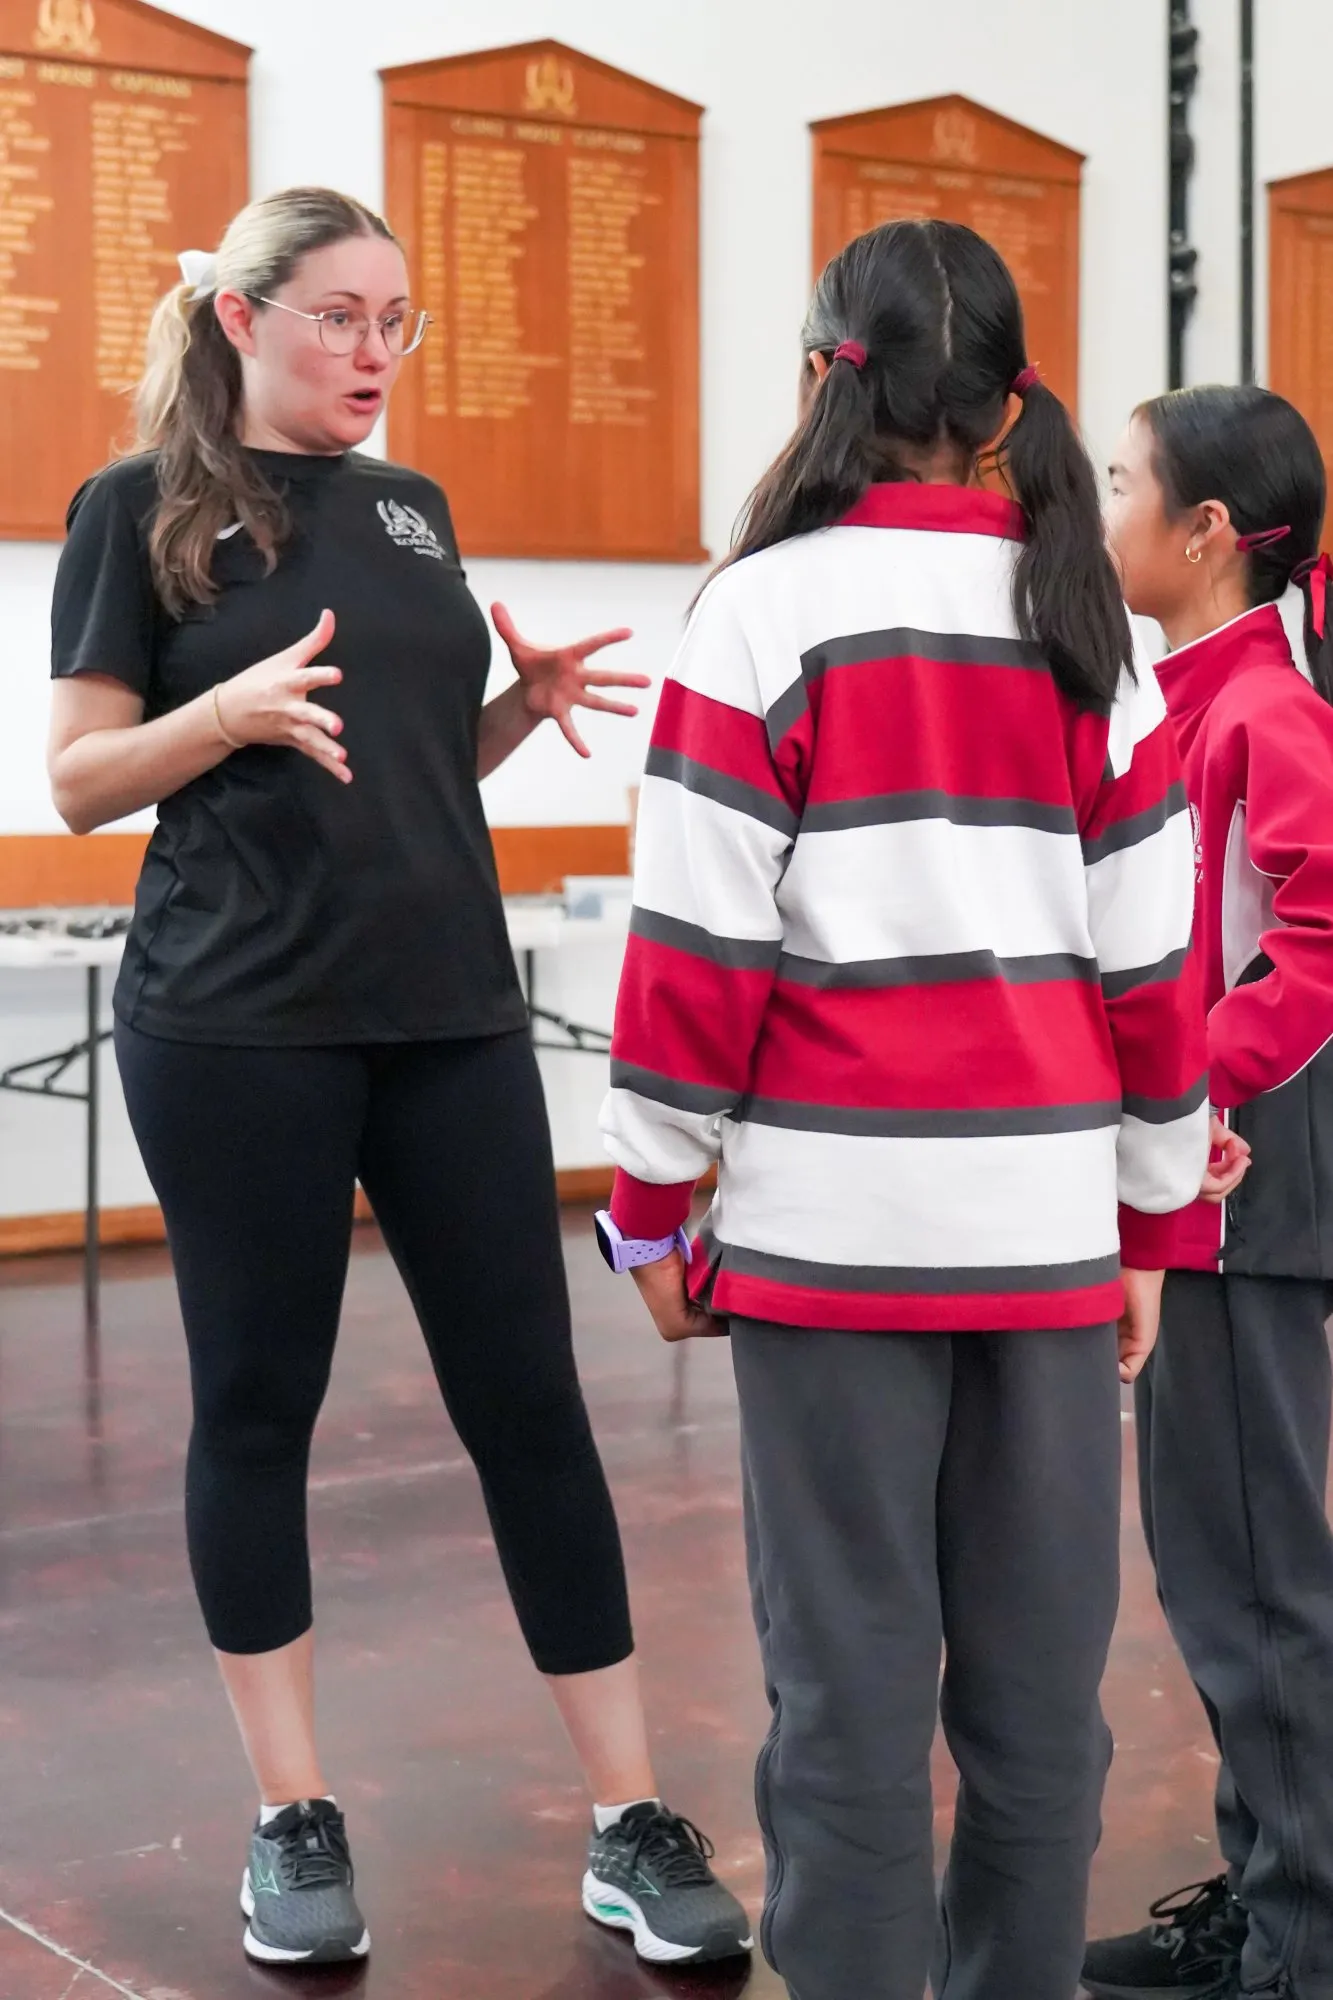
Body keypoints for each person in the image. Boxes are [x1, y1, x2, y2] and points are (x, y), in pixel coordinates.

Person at [45, 185, 750, 1971]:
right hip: (236, 1028)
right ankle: (291, 1818)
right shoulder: (138, 511)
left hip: (445, 1016)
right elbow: (76, 782)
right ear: (243, 320)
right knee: (257, 1407)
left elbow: (400, 762)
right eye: (341, 316)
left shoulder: (414, 514)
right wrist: (224, 716)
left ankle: (628, 1820)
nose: (375, 353)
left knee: (533, 1404)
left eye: (398, 322)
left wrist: (516, 713)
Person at [594, 216, 1210, 2000]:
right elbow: (1152, 986)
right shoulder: (1098, 632)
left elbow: (696, 958)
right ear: (1010, 408)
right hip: (1045, 1248)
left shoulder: (759, 610)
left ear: (822, 382)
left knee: (846, 1700)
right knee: (1041, 1707)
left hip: (826, 1254)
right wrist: (1154, 1227)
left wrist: (649, 1202)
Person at [1082, 385, 1333, 2000]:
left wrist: (1194, 1092)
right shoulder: (1182, 688)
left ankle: (1305, 1945)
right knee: (1224, 1563)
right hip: (1207, 1171)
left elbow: (1313, 943)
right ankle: (1273, 1893)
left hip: (1245, 1189)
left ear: (1206, 536)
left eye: (1118, 484)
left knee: (1253, 1574)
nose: (1095, 509)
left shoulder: (1265, 706)